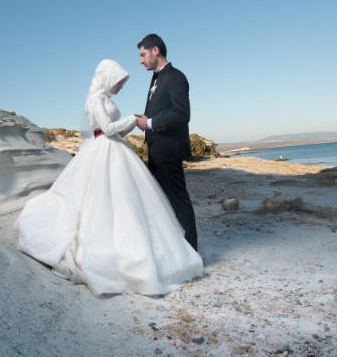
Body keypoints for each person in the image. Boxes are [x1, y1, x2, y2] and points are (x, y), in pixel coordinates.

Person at [14, 59, 203, 296]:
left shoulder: (107, 101)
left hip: (116, 148)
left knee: (128, 201)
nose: (121, 87)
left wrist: (131, 124)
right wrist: (133, 120)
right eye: (119, 82)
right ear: (108, 78)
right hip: (102, 149)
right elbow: (106, 129)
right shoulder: (94, 100)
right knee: (101, 198)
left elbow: (118, 130)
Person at [136, 34, 198, 251]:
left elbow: (182, 114)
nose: (141, 60)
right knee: (159, 203)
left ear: (155, 50)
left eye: (143, 55)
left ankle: (191, 252)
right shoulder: (156, 78)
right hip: (155, 151)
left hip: (169, 151)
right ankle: (171, 249)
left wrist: (150, 123)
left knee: (179, 203)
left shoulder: (176, 77)